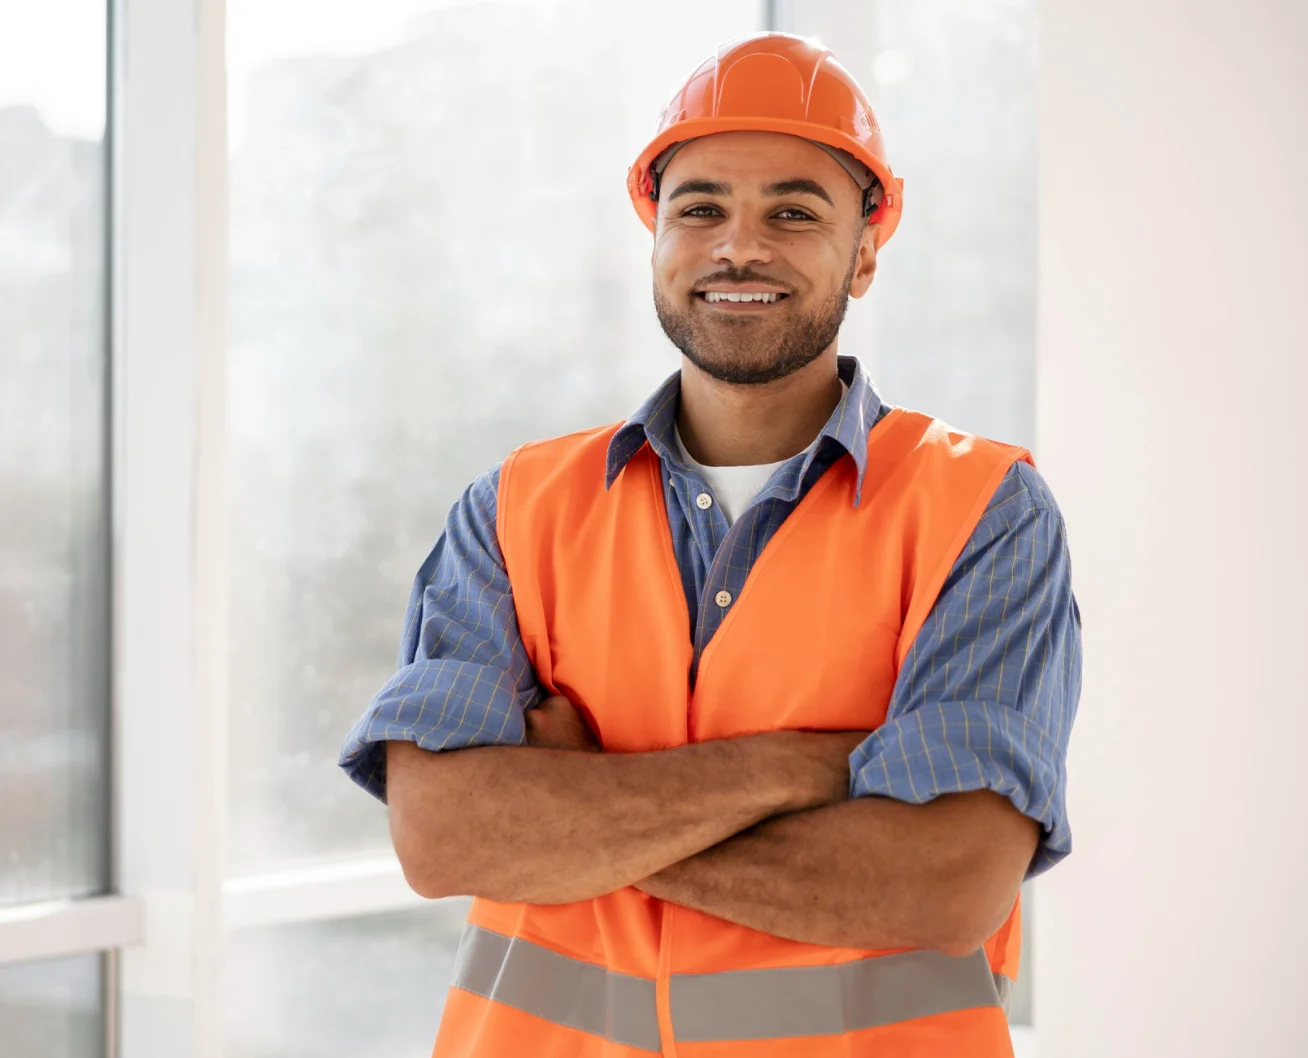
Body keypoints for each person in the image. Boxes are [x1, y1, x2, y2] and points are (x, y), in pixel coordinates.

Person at [340, 32, 1080, 1058]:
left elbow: (943, 880)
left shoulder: (984, 510)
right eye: (700, 209)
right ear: (655, 238)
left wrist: (573, 811)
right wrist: (799, 768)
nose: (741, 246)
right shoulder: (515, 506)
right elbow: (442, 836)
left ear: (866, 249)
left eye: (793, 210)